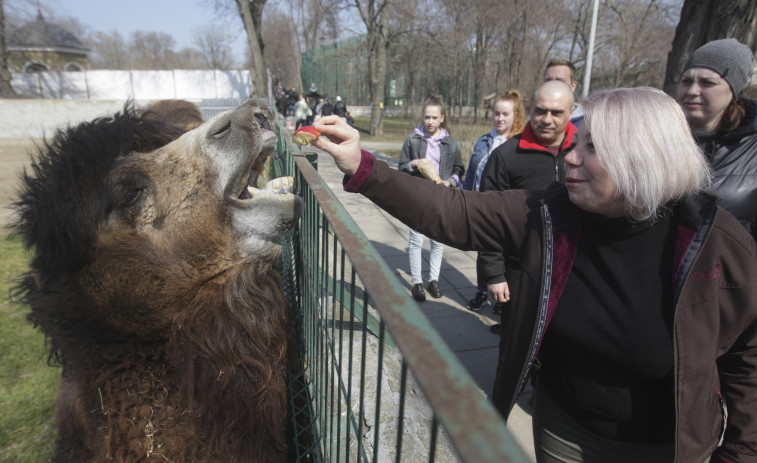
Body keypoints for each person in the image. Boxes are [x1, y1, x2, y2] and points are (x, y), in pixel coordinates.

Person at [312, 87, 757, 463]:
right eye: (576, 141)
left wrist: (738, 453)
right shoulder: (547, 213)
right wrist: (362, 166)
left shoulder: (715, 244)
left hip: (666, 446)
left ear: (644, 159)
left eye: (592, 147)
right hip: (563, 429)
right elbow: (451, 210)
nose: (570, 155)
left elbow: (746, 361)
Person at [478, 80, 576, 328]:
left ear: (572, 112)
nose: (546, 119)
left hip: (574, 270)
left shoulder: (586, 151)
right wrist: (494, 273)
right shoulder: (507, 156)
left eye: (556, 113)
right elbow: (488, 219)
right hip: (520, 271)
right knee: (517, 343)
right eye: (541, 111)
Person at [677, 38, 757, 241]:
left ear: (733, 90)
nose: (692, 91)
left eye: (707, 83)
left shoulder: (752, 146)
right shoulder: (658, 137)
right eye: (686, 81)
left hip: (729, 268)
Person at [462, 90, 527, 311]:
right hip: (482, 207)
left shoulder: (518, 145)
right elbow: (472, 174)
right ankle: (482, 290)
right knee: (484, 252)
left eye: (505, 114)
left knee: (505, 255)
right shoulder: (484, 141)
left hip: (506, 211)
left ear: (515, 115)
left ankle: (503, 297)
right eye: (497, 113)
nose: (500, 118)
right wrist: (466, 199)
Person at [398, 95, 464, 302]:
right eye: (427, 117)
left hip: (440, 198)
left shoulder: (450, 143)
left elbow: (458, 169)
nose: (430, 122)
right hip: (418, 198)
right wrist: (414, 163)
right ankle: (417, 282)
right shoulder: (413, 139)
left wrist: (450, 182)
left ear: (442, 118)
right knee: (416, 241)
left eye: (435, 117)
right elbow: (402, 167)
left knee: (437, 242)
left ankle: (433, 281)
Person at [544, 59, 584, 125]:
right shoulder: (534, 123)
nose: (553, 85)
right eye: (548, 81)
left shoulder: (586, 124)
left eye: (560, 81)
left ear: (573, 86)